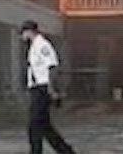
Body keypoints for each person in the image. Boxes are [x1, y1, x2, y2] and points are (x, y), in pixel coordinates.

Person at [20, 19, 77, 154]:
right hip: (37, 88)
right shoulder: (34, 46)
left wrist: (51, 89)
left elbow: (52, 66)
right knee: (44, 125)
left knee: (34, 124)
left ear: (29, 31)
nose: (22, 36)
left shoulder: (42, 45)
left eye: (23, 33)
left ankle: (36, 151)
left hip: (42, 87)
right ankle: (66, 151)